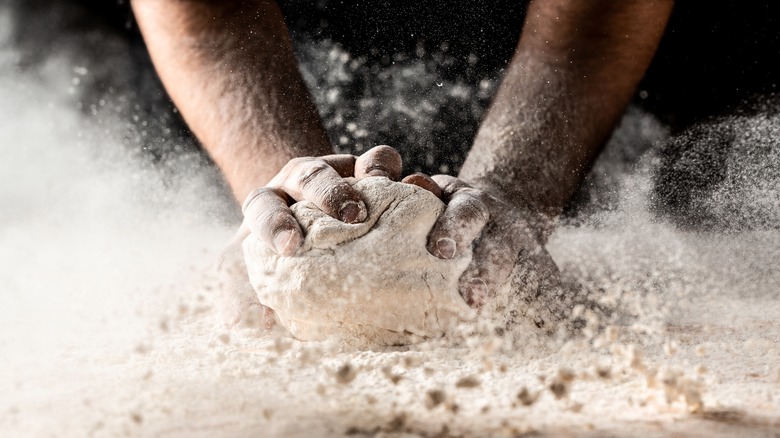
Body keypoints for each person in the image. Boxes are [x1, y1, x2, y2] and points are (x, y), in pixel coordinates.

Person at [127, 0, 674, 327]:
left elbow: (595, 23)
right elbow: (215, 22)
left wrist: (512, 190)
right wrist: (292, 197)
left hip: (580, 100)